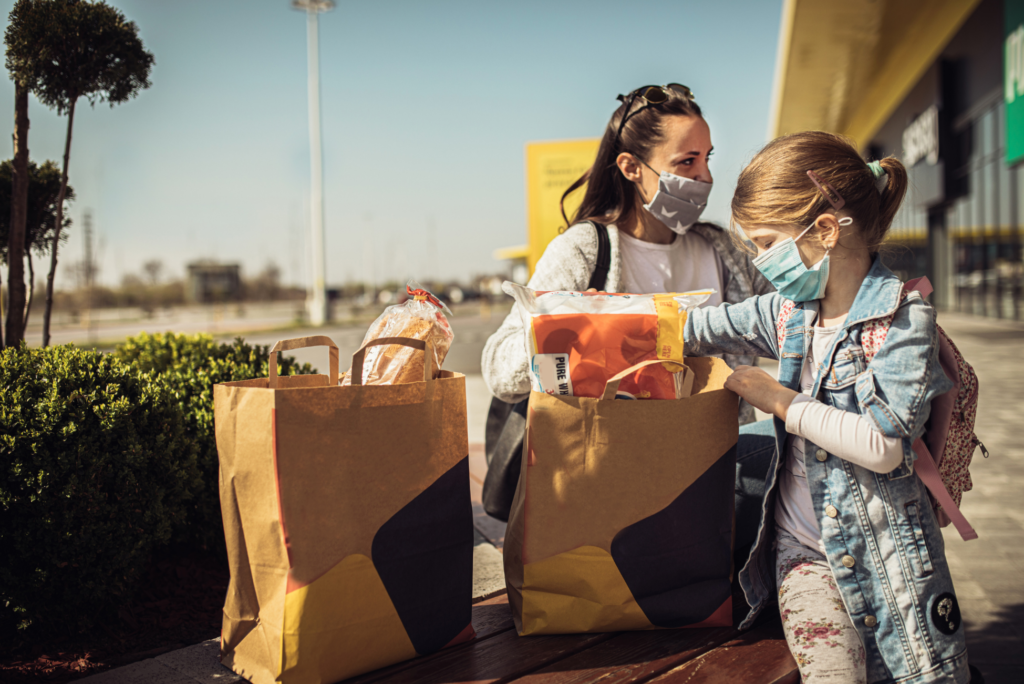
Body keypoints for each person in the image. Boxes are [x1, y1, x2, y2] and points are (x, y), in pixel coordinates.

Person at [685, 131, 970, 683]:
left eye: (765, 241)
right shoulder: (789, 313)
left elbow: (884, 446)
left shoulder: (906, 321)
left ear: (822, 230)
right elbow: (698, 327)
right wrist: (593, 318)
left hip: (895, 567)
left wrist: (779, 399)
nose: (758, 259)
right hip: (803, 558)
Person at [482, 83, 771, 421]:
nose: (704, 176)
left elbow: (787, 323)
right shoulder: (584, 250)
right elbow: (499, 372)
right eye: (687, 161)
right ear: (631, 167)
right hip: (619, 463)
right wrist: (564, 329)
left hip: (722, 464)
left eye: (707, 158)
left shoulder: (725, 250)